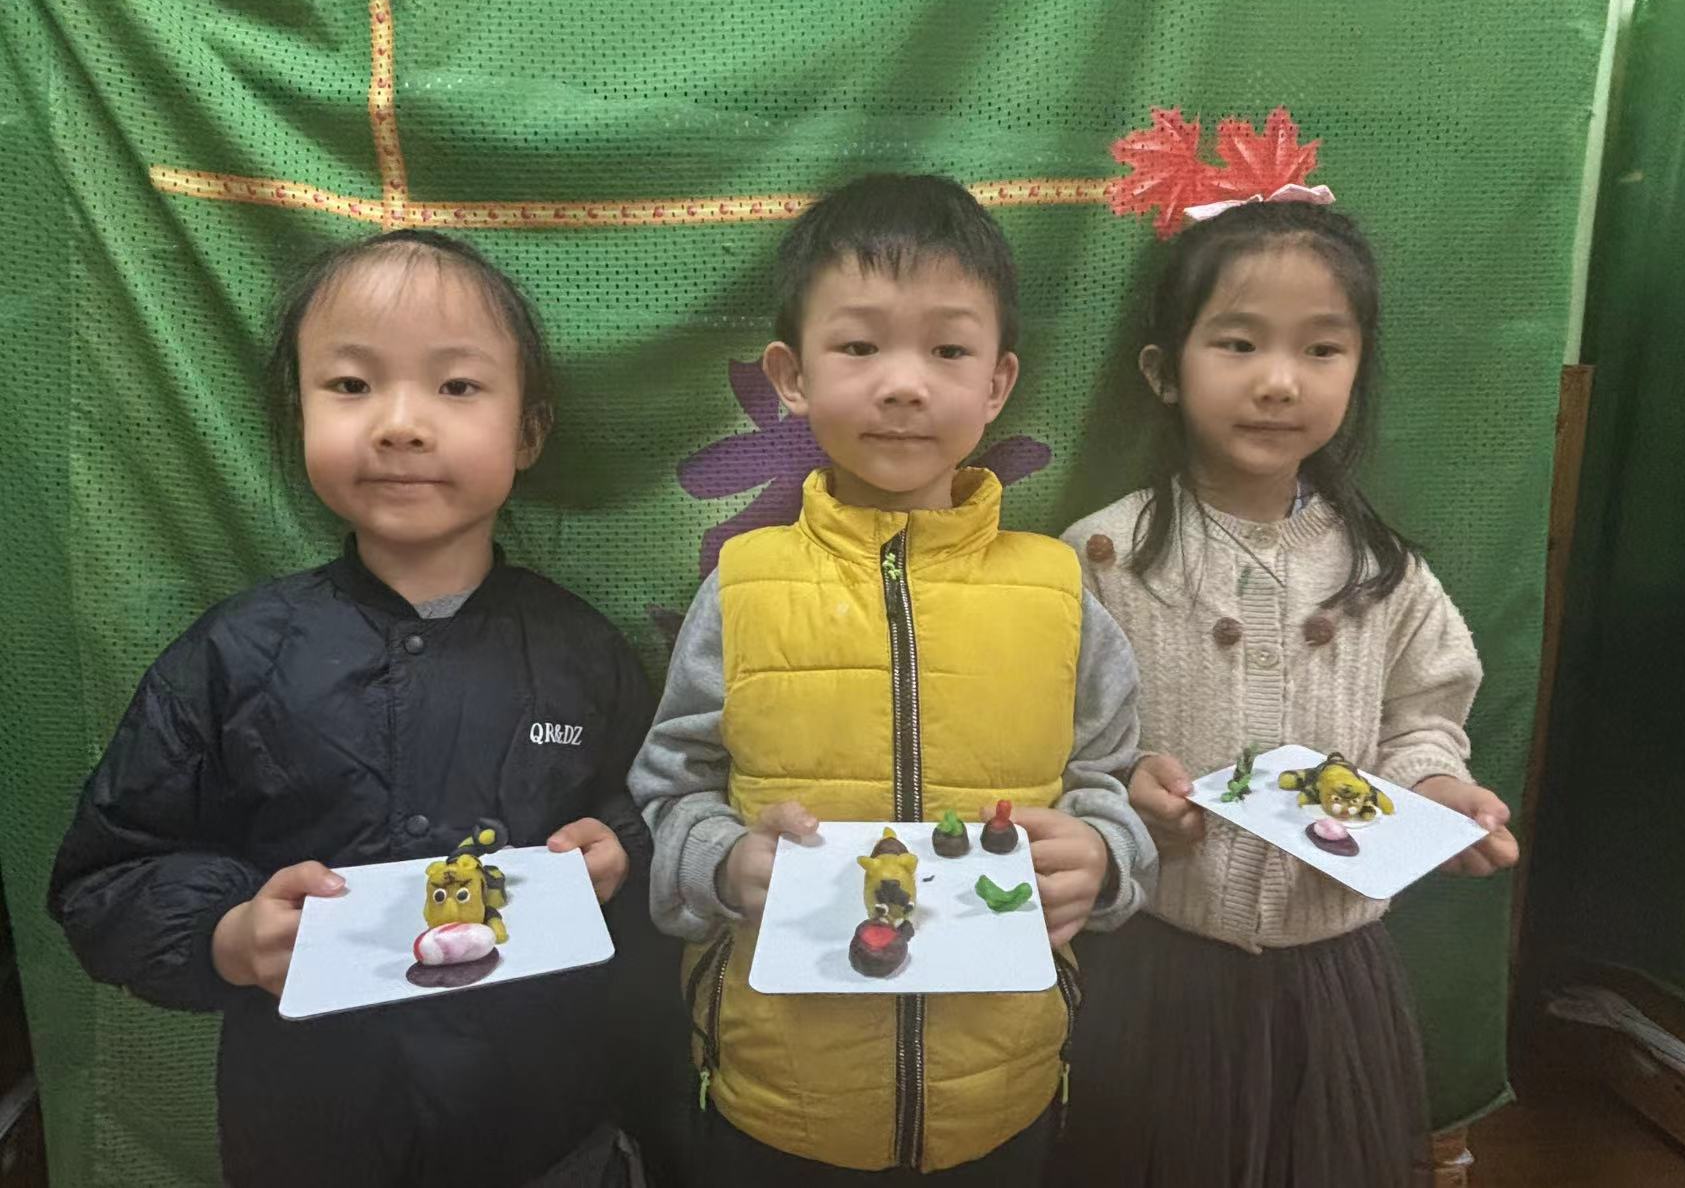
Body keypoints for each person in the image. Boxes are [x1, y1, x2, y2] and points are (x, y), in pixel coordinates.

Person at [49, 229, 655, 1188]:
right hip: (307, 1135)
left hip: (548, 1132)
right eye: (351, 385)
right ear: (299, 413)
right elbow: (107, 875)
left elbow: (652, 815)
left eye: (457, 386)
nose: (401, 424)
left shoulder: (584, 650)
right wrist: (228, 936)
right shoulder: (236, 653)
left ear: (528, 433)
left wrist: (620, 848)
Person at [628, 173, 1156, 1184]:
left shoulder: (1058, 589)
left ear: (998, 383)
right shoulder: (741, 586)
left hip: (1003, 1094)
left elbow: (1109, 779)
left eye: (948, 350)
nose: (904, 384)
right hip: (776, 1098)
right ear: (791, 375)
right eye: (860, 346)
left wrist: (1103, 853)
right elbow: (670, 789)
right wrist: (724, 863)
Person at [1057, 197, 1520, 1188]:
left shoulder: (1384, 572)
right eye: (1237, 343)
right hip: (1156, 962)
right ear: (1163, 371)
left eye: (1321, 349)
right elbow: (1055, 738)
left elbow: (1424, 717)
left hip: (1332, 969)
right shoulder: (1101, 558)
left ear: (1358, 370)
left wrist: (1437, 793)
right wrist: (1124, 791)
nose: (1278, 381)